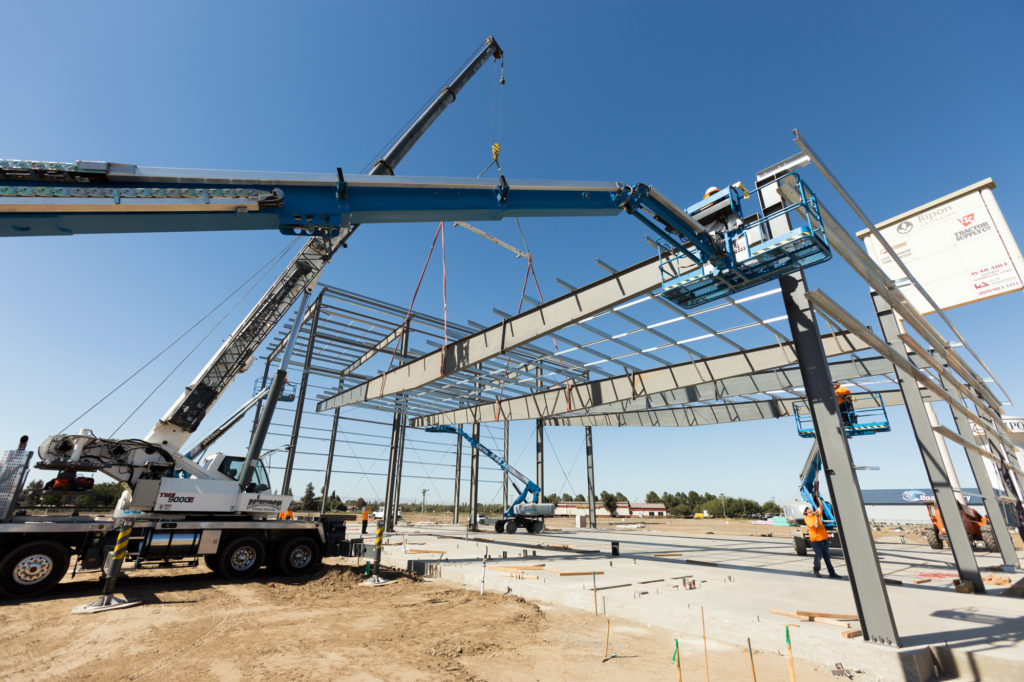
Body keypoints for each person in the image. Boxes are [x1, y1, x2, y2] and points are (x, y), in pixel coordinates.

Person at [803, 498, 839, 578]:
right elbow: (816, 525)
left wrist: (818, 499)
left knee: (827, 557)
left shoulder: (815, 514)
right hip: (816, 541)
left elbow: (821, 507)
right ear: (806, 512)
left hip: (824, 539)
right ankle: (816, 570)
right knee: (818, 556)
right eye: (808, 508)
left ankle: (832, 573)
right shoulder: (807, 519)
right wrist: (816, 517)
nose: (810, 509)